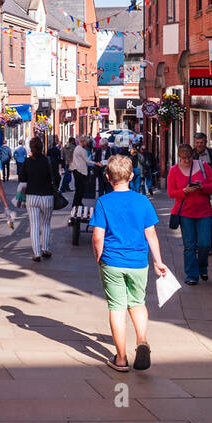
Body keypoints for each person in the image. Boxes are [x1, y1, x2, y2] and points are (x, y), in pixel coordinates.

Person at [92, 154, 168, 372]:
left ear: (107, 177)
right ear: (132, 176)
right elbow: (151, 234)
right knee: (137, 302)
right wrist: (158, 261)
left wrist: (99, 255)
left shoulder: (103, 202)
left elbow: (98, 235)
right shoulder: (142, 201)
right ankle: (142, 341)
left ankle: (122, 359)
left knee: (116, 307)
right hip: (138, 262)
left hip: (112, 260)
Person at [167, 143, 212, 285]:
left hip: (204, 212)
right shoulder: (174, 171)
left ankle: (202, 267)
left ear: (193, 155)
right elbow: (171, 192)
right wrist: (184, 191)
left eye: (189, 157)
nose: (187, 161)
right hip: (185, 213)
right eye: (184, 159)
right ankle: (191, 275)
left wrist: (202, 187)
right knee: (189, 246)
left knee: (204, 244)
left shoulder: (202, 166)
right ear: (179, 157)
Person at [18, 134, 57, 262]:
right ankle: (45, 248)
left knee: (34, 225)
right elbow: (57, 178)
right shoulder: (48, 161)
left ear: (31, 148)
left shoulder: (27, 162)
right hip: (47, 196)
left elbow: (21, 178)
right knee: (46, 224)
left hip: (32, 196)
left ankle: (37, 253)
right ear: (42, 147)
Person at [71, 135, 92, 206]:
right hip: (80, 171)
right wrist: (96, 163)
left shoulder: (77, 148)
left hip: (76, 170)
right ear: (83, 142)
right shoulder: (82, 150)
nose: (86, 143)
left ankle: (77, 203)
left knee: (79, 188)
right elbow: (87, 160)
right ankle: (76, 203)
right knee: (81, 189)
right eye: (86, 142)